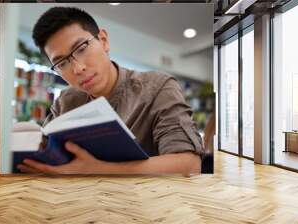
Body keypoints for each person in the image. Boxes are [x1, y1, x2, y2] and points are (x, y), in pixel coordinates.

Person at [17, 6, 204, 175]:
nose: (78, 68)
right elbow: (46, 153)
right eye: (61, 63)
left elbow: (188, 164)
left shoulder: (158, 87)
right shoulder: (66, 101)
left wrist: (100, 170)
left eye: (81, 48)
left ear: (103, 41)